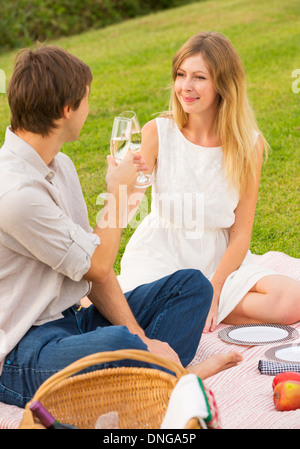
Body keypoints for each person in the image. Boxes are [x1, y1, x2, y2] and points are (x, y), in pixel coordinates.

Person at [0, 44, 242, 409]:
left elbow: (94, 272)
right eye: (85, 99)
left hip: (73, 321)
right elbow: (97, 263)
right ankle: (169, 378)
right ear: (67, 110)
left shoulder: (59, 164)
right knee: (116, 345)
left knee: (192, 287)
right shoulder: (15, 193)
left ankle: (139, 375)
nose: (89, 108)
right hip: (24, 348)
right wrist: (117, 193)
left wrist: (137, 333)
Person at [118, 31, 300, 333]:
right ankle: (184, 307)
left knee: (291, 300)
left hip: (218, 259)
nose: (185, 87)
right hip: (163, 253)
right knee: (133, 311)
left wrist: (214, 289)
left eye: (199, 78)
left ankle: (190, 308)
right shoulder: (158, 133)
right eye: (181, 75)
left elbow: (240, 235)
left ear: (223, 85)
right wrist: (123, 180)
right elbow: (126, 207)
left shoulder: (247, 145)